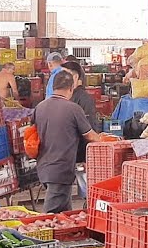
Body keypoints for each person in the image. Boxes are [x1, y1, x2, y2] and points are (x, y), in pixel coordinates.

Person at [35, 70, 103, 213]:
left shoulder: (39, 107)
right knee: (49, 216)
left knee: (64, 211)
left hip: (44, 168)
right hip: (61, 168)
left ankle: (67, 234)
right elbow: (90, 136)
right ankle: (40, 235)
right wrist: (106, 140)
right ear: (71, 88)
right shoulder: (73, 109)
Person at [62, 61, 99, 201]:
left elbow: (90, 127)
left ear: (75, 77)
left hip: (80, 152)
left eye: (65, 75)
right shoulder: (68, 96)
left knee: (87, 189)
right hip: (70, 152)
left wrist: (86, 156)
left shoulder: (84, 98)